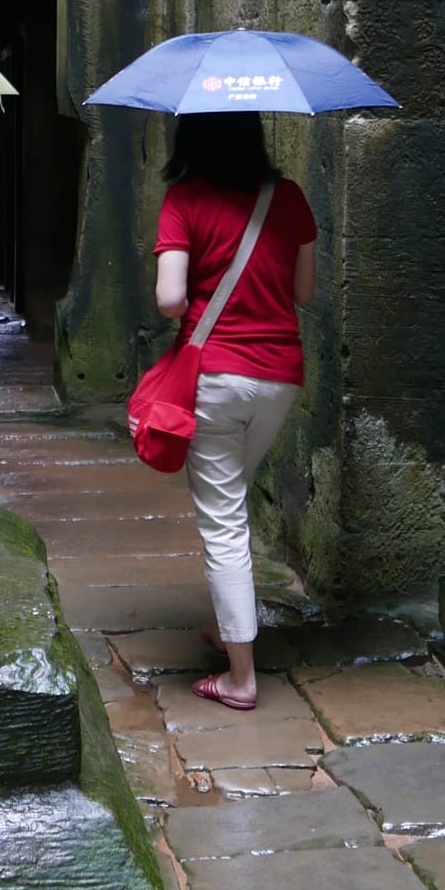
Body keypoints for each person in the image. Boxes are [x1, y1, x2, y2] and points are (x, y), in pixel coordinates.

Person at [154, 111, 317, 708]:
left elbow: (170, 300)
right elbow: (303, 293)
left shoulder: (184, 199)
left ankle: (241, 677)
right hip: (278, 378)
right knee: (231, 498)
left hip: (215, 376)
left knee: (222, 518)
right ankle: (233, 625)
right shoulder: (290, 197)